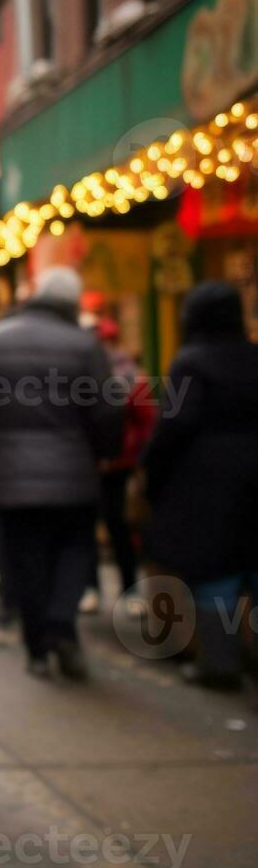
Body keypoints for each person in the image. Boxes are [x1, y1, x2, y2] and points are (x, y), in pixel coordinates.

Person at [0, 266, 123, 680]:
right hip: (74, 475)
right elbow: (106, 411)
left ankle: (37, 649)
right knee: (75, 551)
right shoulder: (84, 345)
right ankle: (61, 624)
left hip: (12, 477)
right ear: (72, 304)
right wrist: (106, 453)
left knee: (25, 561)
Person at [142, 282, 258, 690]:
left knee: (215, 575)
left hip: (210, 485)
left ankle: (220, 663)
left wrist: (153, 478)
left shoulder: (191, 362)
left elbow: (174, 426)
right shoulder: (253, 356)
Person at [90, 317, 155, 601]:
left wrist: (135, 455)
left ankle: (129, 588)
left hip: (120, 466)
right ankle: (90, 588)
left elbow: (146, 423)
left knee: (120, 527)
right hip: (87, 463)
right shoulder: (78, 373)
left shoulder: (130, 377)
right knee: (85, 529)